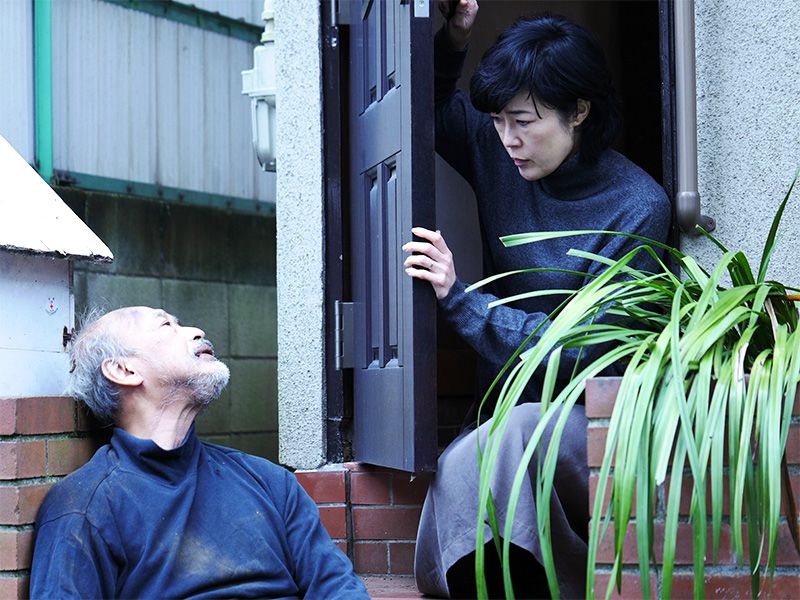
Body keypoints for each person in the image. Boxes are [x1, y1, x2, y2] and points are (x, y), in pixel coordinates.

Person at [402, 1, 671, 598]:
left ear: (579, 110)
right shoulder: (500, 149)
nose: (508, 139)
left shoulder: (638, 206)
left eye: (523, 121)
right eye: (498, 121)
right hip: (502, 409)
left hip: (586, 417)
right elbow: (424, 111)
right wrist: (454, 38)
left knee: (512, 435)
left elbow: (584, 348)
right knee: (480, 450)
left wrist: (462, 300)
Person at [30, 306, 369, 599]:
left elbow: (338, 588)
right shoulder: (84, 507)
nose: (196, 331)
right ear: (124, 370)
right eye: (166, 325)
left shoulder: (269, 482)